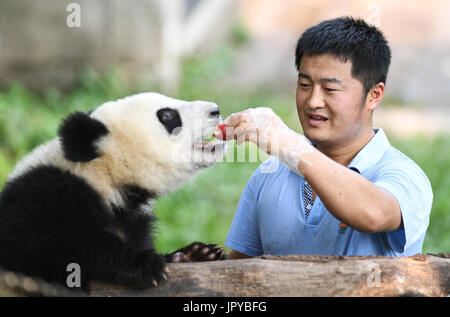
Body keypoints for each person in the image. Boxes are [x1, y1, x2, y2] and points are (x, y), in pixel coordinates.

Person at [223, 17, 433, 258]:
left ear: (374, 95)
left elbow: (374, 213)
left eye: (330, 89)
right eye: (304, 84)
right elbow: (239, 275)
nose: (313, 101)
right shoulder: (268, 175)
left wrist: (291, 146)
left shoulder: (404, 175)